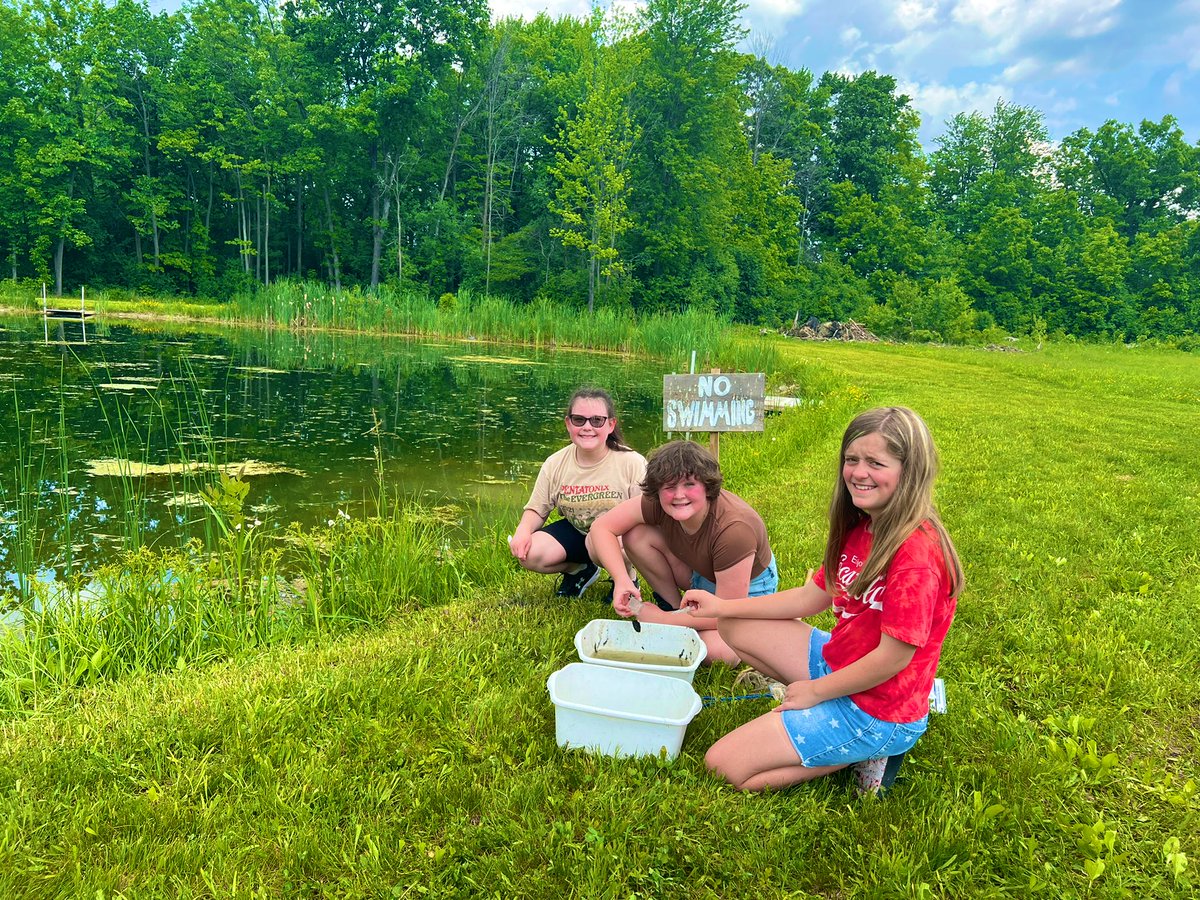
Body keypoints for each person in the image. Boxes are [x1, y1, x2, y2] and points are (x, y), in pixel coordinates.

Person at [681, 406, 963, 793]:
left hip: (877, 708)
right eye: (852, 459)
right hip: (839, 663)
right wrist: (722, 607)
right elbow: (806, 599)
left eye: (876, 463)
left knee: (721, 767)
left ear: (909, 471)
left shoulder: (917, 556)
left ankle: (859, 751)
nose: (859, 473)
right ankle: (822, 723)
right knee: (733, 624)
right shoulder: (863, 525)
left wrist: (813, 692)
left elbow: (893, 658)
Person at [588, 440, 778, 665]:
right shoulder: (657, 502)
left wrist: (663, 621)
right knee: (636, 536)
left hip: (743, 597)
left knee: (719, 653)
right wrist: (621, 579)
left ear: (707, 486)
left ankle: (676, 620)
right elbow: (601, 528)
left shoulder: (735, 530)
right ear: (657, 489)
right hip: (701, 575)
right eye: (669, 486)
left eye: (689, 484)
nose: (678, 495)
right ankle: (675, 607)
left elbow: (726, 611)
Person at [509, 388, 646, 598]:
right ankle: (580, 571)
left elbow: (645, 516)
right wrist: (523, 531)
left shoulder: (632, 462)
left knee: (602, 540)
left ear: (611, 425)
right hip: (577, 531)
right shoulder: (555, 463)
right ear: (568, 424)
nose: (587, 427)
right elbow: (537, 510)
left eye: (597, 421)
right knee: (531, 554)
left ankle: (627, 579)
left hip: (619, 537)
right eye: (579, 420)